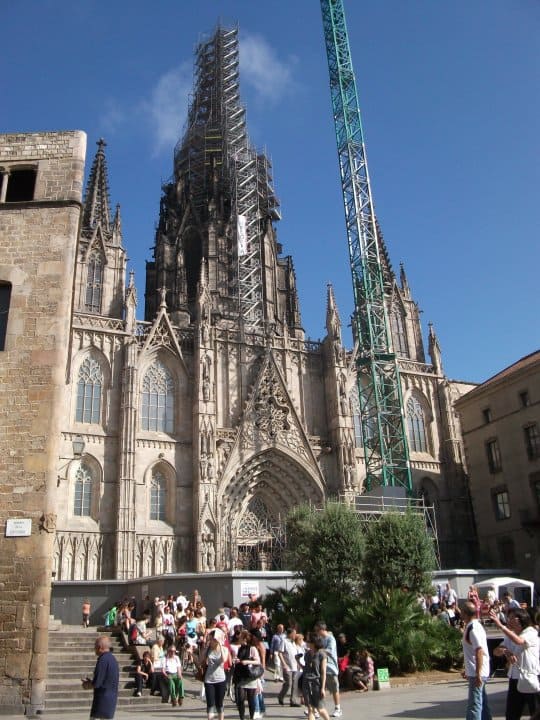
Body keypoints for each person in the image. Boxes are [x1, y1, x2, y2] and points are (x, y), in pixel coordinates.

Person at [490, 607, 539, 719]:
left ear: (520, 619)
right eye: (508, 617)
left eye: (512, 617)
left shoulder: (531, 632)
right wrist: (505, 651)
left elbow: (519, 641)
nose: (508, 620)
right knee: (511, 714)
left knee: (535, 713)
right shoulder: (509, 635)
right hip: (514, 678)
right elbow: (496, 652)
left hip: (530, 677)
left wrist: (501, 626)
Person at [461, 601, 492, 720]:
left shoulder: (473, 628)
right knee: (482, 703)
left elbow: (479, 651)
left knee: (475, 705)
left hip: (477, 672)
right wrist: (468, 670)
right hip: (475, 671)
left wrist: (477, 673)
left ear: (464, 613)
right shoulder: (475, 626)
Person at [82, 636, 119, 720]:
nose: (94, 648)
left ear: (100, 648)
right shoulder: (112, 659)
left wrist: (87, 684)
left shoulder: (103, 659)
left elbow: (97, 683)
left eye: (95, 646)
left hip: (102, 700)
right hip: (110, 699)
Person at [233, 629, 261, 720]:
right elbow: (239, 659)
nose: (239, 638)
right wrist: (236, 660)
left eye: (240, 637)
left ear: (245, 638)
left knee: (250, 700)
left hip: (250, 677)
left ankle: (251, 716)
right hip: (241, 676)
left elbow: (257, 661)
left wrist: (247, 661)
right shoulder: (240, 648)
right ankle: (242, 717)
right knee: (240, 699)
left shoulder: (252, 648)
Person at [301, 635, 331, 720]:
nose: (307, 643)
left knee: (320, 709)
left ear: (313, 643)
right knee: (310, 709)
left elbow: (323, 672)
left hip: (317, 684)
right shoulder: (307, 654)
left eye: (309, 641)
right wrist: (297, 661)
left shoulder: (322, 654)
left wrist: (323, 688)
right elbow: (306, 668)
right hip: (306, 683)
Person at [315, 622, 341, 718]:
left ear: (322, 630)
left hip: (331, 667)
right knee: (319, 689)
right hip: (322, 667)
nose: (316, 632)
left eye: (317, 630)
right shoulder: (320, 639)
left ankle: (338, 708)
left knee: (334, 689)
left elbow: (330, 651)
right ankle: (318, 709)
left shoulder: (331, 639)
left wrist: (319, 650)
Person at [203, 630, 230, 720]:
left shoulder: (225, 649)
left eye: (212, 640)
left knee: (219, 704)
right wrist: (191, 653)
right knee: (210, 704)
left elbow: (224, 659)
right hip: (209, 680)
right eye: (209, 639)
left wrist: (221, 645)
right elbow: (199, 661)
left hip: (220, 679)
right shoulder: (208, 649)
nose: (210, 641)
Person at [278, 627, 300, 707]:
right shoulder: (284, 641)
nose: (295, 635)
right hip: (287, 666)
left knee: (295, 683)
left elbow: (295, 654)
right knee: (288, 683)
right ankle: (281, 696)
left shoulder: (294, 642)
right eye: (294, 634)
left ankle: (293, 701)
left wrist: (298, 663)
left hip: (294, 665)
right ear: (290, 634)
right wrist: (284, 664)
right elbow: (280, 653)